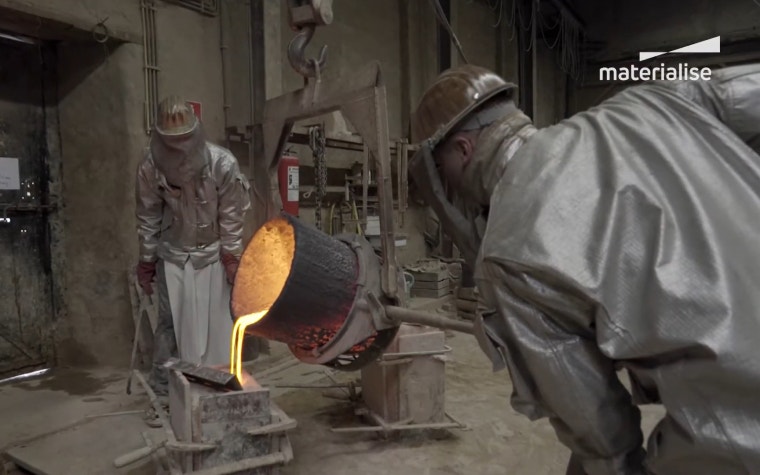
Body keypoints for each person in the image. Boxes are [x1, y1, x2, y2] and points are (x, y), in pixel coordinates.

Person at [408, 63, 760, 475]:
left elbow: (601, 438)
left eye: (441, 168)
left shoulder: (510, 253)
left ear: (463, 151)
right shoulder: (651, 102)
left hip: (738, 438)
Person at [135, 96, 251, 400]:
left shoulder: (222, 163)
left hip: (213, 254)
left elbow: (231, 215)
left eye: (186, 141)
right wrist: (147, 260)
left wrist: (231, 257)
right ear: (159, 139)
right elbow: (147, 215)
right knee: (170, 324)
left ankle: (221, 381)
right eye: (172, 144)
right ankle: (163, 391)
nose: (180, 151)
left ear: (196, 134)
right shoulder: (150, 167)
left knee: (222, 321)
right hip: (172, 255)